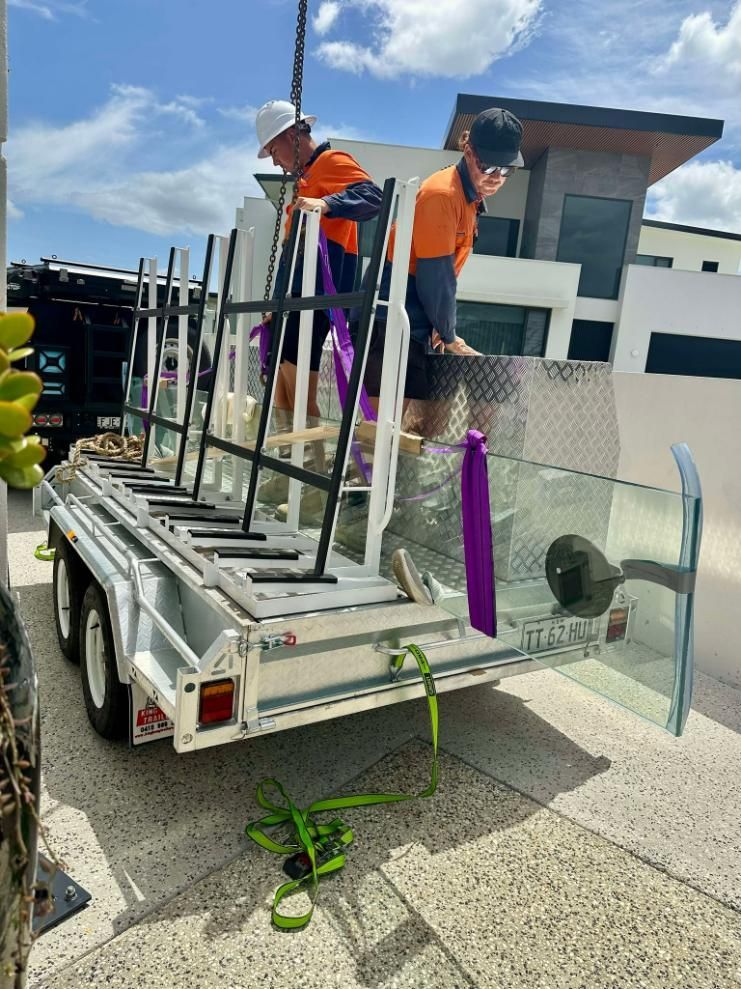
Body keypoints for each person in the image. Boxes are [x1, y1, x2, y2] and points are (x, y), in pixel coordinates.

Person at [254, 100, 383, 521]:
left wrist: (327, 205)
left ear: (292, 137)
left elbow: (372, 196)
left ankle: (312, 479)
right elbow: (291, 253)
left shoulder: (331, 163)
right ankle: (292, 469)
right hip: (295, 296)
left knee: (297, 383)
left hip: (318, 294)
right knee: (281, 385)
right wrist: (276, 303)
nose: (274, 161)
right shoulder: (306, 179)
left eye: (274, 150)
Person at [363, 107, 524, 433]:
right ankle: (364, 480)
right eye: (489, 165)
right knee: (380, 429)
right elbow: (437, 277)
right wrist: (449, 335)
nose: (496, 177)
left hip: (418, 316)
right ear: (468, 151)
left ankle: (392, 480)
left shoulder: (470, 198)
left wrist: (441, 328)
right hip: (393, 315)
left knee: (421, 427)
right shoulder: (443, 195)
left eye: (506, 170)